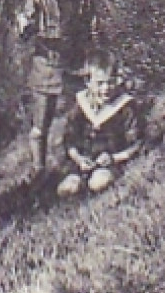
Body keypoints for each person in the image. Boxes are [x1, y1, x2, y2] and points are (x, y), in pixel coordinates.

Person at [16, 0, 100, 173]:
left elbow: (93, 29)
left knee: (82, 116)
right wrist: (24, 28)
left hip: (76, 65)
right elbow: (26, 31)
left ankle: (81, 162)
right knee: (40, 126)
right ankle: (39, 172)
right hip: (47, 67)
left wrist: (94, 59)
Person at [58, 50, 144, 198]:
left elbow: (137, 143)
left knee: (99, 182)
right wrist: (78, 158)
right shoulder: (80, 104)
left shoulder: (125, 107)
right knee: (67, 189)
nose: (106, 89)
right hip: (82, 161)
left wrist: (114, 157)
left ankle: (92, 187)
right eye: (99, 83)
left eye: (110, 82)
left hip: (110, 161)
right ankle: (79, 186)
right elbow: (69, 139)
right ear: (88, 82)